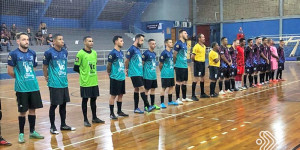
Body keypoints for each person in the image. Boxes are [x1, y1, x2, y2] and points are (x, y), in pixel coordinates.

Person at [7, 33, 44, 143]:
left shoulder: (33, 53)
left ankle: (32, 132)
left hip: (33, 86)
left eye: (27, 39)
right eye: (23, 39)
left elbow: (33, 68)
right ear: (18, 41)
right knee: (22, 112)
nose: (26, 41)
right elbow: (10, 71)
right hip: (21, 89)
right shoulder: (13, 54)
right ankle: (21, 134)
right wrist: (20, 79)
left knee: (33, 110)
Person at [43, 34, 76, 134]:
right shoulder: (49, 53)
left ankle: (63, 125)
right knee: (54, 105)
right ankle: (52, 126)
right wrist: (46, 77)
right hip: (54, 83)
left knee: (63, 105)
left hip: (64, 83)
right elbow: (45, 66)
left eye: (63, 39)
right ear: (54, 41)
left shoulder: (65, 52)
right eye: (60, 39)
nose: (62, 41)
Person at [74, 36, 105, 127]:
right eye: (89, 41)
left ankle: (94, 117)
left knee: (94, 100)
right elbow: (76, 67)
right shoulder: (80, 53)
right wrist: (84, 74)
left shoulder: (94, 53)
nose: (91, 42)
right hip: (85, 82)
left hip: (94, 81)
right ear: (84, 42)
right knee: (85, 100)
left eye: (92, 41)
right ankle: (85, 119)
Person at [125, 34, 154, 113]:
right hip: (135, 73)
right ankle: (147, 106)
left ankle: (136, 108)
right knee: (142, 88)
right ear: (136, 39)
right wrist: (127, 69)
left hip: (139, 72)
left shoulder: (138, 49)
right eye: (141, 40)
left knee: (136, 89)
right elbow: (126, 60)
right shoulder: (131, 49)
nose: (142, 42)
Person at [107, 36, 129, 120]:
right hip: (115, 77)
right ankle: (111, 113)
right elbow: (109, 65)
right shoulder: (112, 53)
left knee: (121, 94)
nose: (123, 42)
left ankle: (119, 111)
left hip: (121, 77)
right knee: (113, 96)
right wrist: (109, 73)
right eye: (121, 41)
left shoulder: (121, 52)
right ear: (116, 42)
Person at [173, 29, 192, 104]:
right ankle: (177, 98)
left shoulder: (185, 44)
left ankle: (184, 97)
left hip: (185, 65)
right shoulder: (178, 43)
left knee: (184, 82)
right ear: (181, 35)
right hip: (179, 65)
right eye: (185, 33)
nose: (187, 34)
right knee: (178, 82)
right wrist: (175, 64)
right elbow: (174, 54)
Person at [159, 39, 178, 108]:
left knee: (171, 87)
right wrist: (162, 71)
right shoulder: (164, 53)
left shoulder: (171, 52)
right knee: (164, 88)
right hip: (165, 74)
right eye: (170, 42)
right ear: (166, 44)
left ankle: (170, 101)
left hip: (171, 73)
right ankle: (162, 103)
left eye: (172, 42)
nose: (172, 43)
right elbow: (160, 64)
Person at [191, 33, 209, 101]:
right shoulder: (196, 46)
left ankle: (202, 93)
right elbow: (192, 56)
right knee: (196, 79)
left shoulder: (204, 46)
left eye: (204, 37)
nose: (204, 38)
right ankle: (193, 95)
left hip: (202, 63)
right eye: (203, 37)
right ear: (199, 39)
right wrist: (195, 62)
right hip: (197, 63)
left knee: (202, 78)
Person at [142, 39, 160, 109]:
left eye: (155, 44)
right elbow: (142, 64)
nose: (154, 45)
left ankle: (152, 104)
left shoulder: (154, 53)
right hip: (147, 75)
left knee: (153, 89)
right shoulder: (145, 53)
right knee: (146, 90)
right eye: (152, 44)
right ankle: (146, 106)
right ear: (149, 44)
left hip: (153, 75)